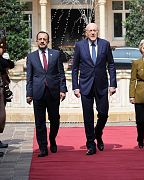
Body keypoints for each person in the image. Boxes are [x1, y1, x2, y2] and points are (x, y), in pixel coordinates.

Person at [72, 23, 117, 155]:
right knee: (88, 116)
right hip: (85, 86)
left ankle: (98, 133)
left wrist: (112, 83)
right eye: (90, 30)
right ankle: (90, 144)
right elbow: (75, 68)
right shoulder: (79, 45)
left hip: (102, 85)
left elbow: (111, 65)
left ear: (98, 32)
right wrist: (75, 86)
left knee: (103, 113)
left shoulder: (105, 44)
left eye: (94, 30)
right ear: (86, 32)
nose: (92, 33)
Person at [26, 31, 67, 157]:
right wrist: (29, 93)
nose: (42, 41)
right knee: (39, 122)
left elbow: (61, 73)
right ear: (37, 41)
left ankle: (52, 138)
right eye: (40, 39)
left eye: (44, 39)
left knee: (55, 119)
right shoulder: (31, 57)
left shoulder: (55, 54)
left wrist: (63, 89)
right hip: (38, 93)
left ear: (48, 41)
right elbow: (29, 77)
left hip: (53, 92)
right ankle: (43, 147)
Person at [0, 36, 14, 157]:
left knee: (1, 116)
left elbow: (11, 64)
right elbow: (6, 64)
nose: (2, 49)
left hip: (2, 89)